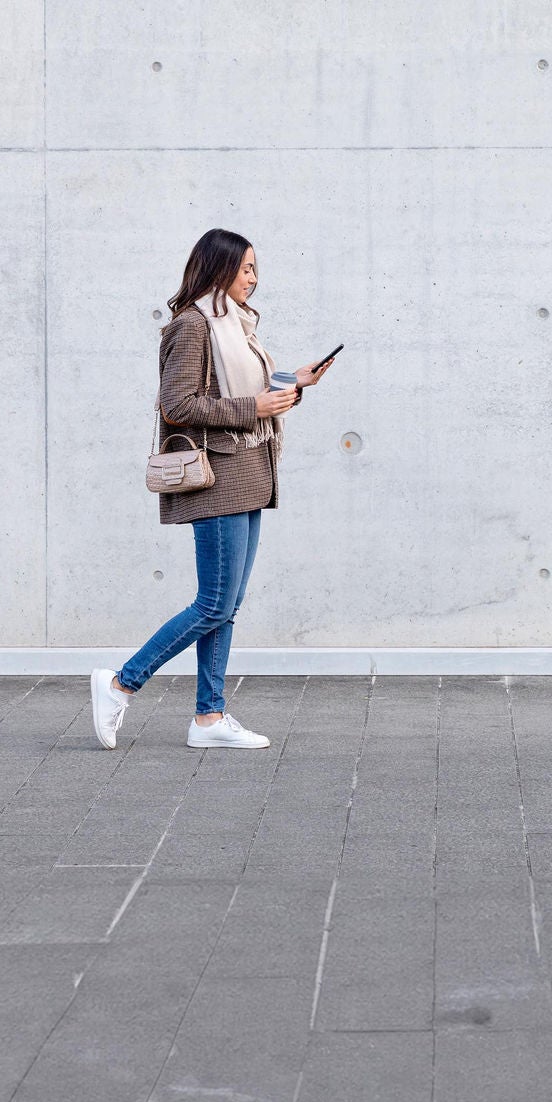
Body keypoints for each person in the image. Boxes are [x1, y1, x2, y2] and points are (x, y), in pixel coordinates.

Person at [89, 228, 335, 750]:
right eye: (246, 269)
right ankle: (119, 684)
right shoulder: (193, 327)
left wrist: (294, 382)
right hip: (217, 479)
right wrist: (254, 409)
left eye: (255, 269)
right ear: (219, 269)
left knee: (227, 604)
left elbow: (246, 392)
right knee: (213, 604)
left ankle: (209, 718)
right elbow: (176, 405)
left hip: (248, 475)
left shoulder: (235, 326)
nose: (254, 279)